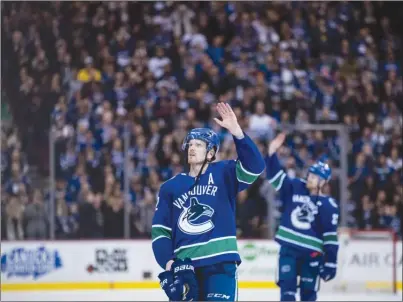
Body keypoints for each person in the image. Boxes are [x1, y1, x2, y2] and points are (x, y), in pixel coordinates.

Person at [151, 102, 265, 301]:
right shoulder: (170, 187)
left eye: (199, 145)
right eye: (190, 144)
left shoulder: (225, 172)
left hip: (221, 264)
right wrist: (169, 265)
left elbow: (256, 166)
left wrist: (237, 132)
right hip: (186, 267)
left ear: (211, 153)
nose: (192, 148)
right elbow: (160, 231)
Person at [266, 132, 339, 301]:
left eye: (315, 176)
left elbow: (330, 237)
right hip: (288, 249)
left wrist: (331, 262)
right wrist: (271, 153)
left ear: (324, 182)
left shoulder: (328, 205)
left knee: (308, 294)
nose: (310, 178)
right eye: (310, 174)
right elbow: (275, 177)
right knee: (287, 291)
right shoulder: (295, 186)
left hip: (312, 253)